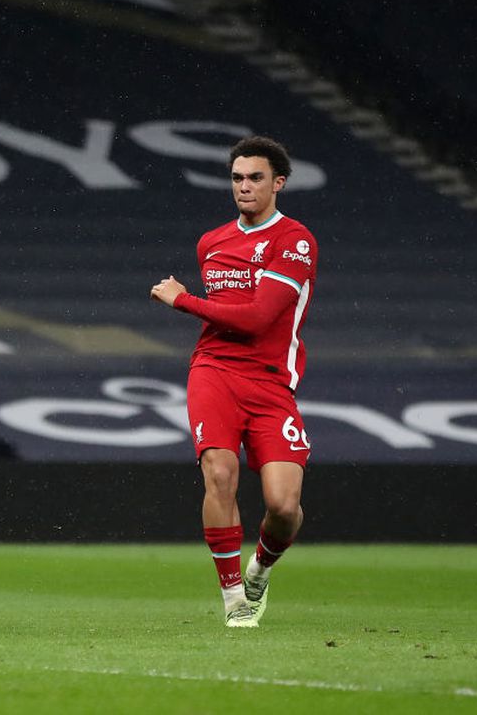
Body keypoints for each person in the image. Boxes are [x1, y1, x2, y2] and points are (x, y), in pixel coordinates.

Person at [149, 135, 318, 628]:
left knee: (284, 507)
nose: (244, 186)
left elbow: (258, 318)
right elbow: (226, 321)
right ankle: (233, 600)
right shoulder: (212, 241)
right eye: (237, 178)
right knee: (220, 474)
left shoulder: (296, 240)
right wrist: (198, 307)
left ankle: (260, 570)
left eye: (256, 178)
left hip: (269, 382)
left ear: (278, 183)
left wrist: (182, 300)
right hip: (214, 371)